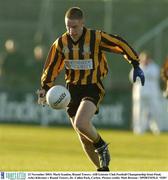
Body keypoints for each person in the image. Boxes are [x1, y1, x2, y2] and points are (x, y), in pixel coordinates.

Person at [37, 7, 145, 171]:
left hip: (92, 86)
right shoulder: (60, 43)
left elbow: (119, 43)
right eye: (68, 27)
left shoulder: (95, 37)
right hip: (71, 90)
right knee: (83, 137)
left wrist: (135, 63)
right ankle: (102, 171)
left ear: (82, 23)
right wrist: (44, 89)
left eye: (74, 27)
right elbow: (51, 68)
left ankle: (101, 146)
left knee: (81, 123)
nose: (71, 31)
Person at [130, 51, 161, 135]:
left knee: (155, 111)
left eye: (146, 58)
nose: (145, 60)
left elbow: (156, 76)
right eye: (143, 58)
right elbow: (132, 78)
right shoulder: (136, 67)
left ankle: (156, 128)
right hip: (139, 94)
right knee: (138, 112)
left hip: (152, 94)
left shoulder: (154, 67)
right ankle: (138, 129)